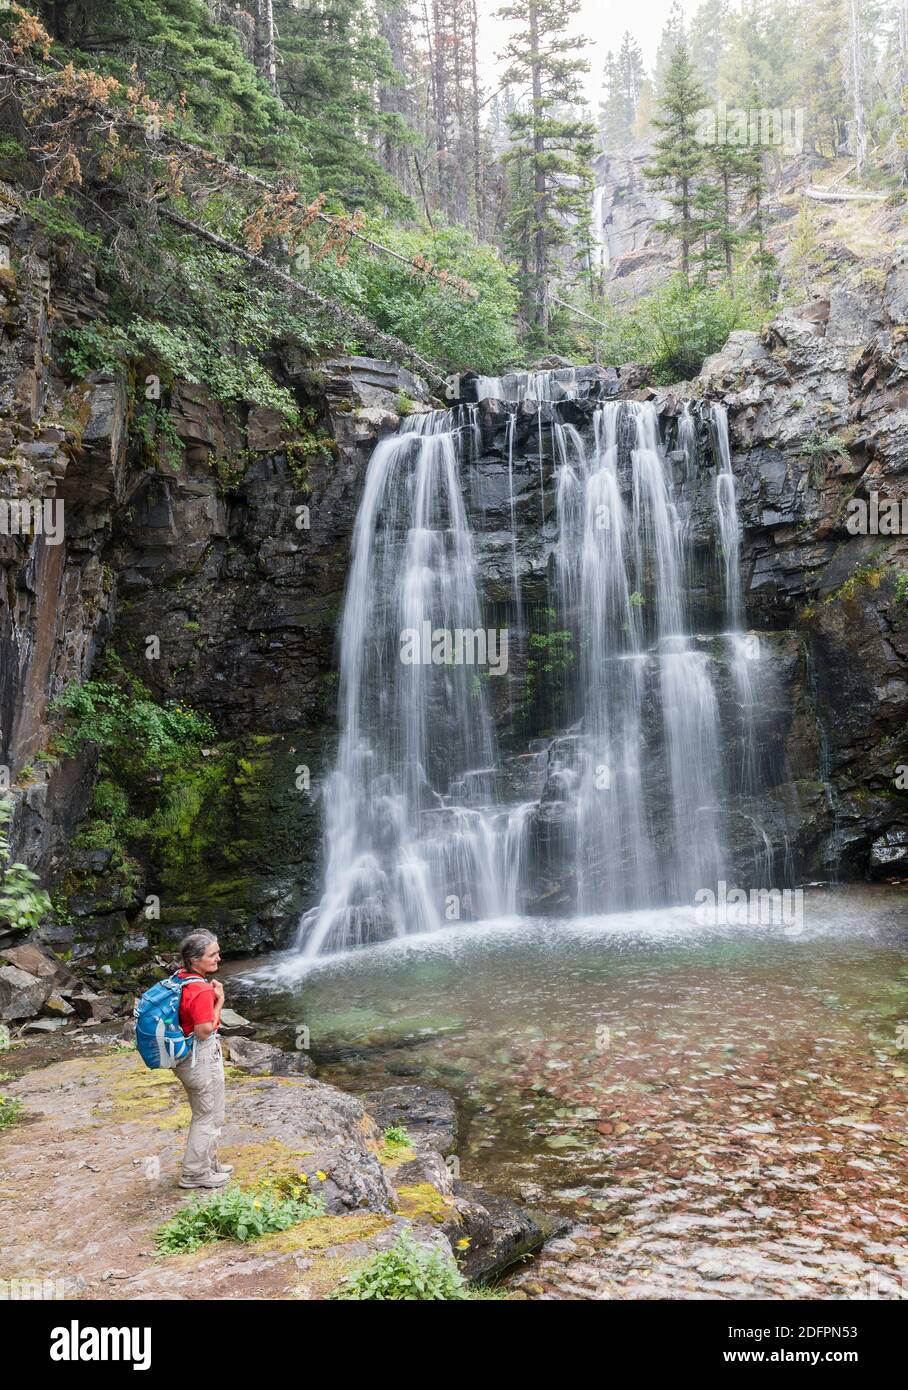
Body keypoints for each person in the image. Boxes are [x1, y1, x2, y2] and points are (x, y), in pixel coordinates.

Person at [172, 929, 233, 1189]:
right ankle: (195, 1174)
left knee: (213, 1111)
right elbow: (205, 1030)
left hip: (192, 1058)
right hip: (199, 1059)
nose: (219, 958)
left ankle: (209, 1163)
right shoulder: (199, 990)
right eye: (213, 954)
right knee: (206, 1115)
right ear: (195, 960)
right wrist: (219, 1001)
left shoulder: (181, 977)